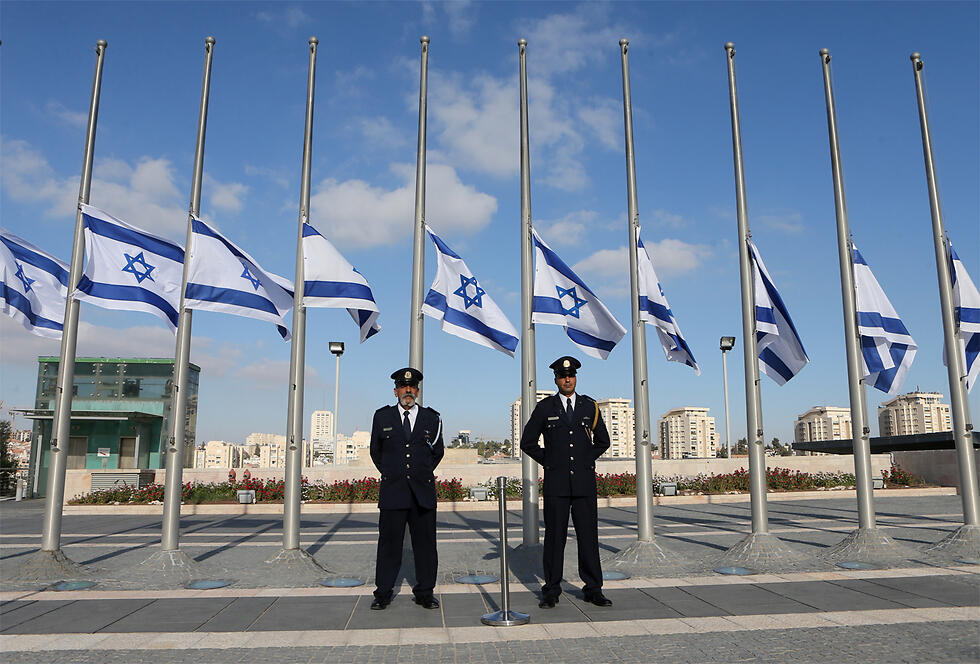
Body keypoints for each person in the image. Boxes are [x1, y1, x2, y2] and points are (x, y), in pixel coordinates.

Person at [520, 355, 613, 609]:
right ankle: (551, 590)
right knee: (554, 539)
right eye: (562, 376)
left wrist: (585, 460)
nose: (567, 379)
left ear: (575, 378)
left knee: (588, 538)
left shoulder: (589, 406)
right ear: (556, 379)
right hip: (556, 485)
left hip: (583, 484)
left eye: (570, 375)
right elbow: (527, 442)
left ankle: (593, 589)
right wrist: (549, 462)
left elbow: (603, 441)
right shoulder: (545, 408)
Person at [369, 367, 445, 610]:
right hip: (393, 492)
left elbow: (437, 451)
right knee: (389, 545)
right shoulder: (382, 418)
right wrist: (394, 473)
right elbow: (376, 452)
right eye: (403, 387)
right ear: (395, 391)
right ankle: (382, 592)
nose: (408, 391)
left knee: (425, 546)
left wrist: (419, 474)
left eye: (412, 387)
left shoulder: (432, 418)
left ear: (418, 391)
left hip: (422, 493)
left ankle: (424, 592)